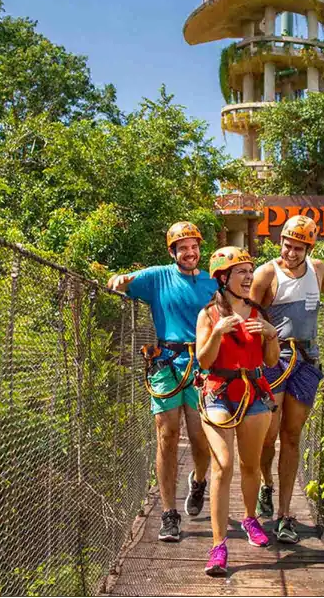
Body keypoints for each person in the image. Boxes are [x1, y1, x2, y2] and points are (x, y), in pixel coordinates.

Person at [107, 222, 216, 542]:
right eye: (182, 247)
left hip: (202, 365)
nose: (190, 252)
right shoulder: (158, 276)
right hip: (166, 362)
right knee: (167, 436)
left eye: (194, 246)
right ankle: (169, 513)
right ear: (173, 252)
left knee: (200, 438)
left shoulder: (212, 283)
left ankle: (198, 481)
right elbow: (122, 284)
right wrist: (118, 280)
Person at [249, 214, 324, 544]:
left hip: (305, 361)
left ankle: (286, 515)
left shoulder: (317, 269)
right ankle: (266, 485)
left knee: (291, 435)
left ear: (308, 248)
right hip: (274, 359)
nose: (290, 252)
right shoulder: (266, 273)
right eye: (287, 245)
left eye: (298, 248)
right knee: (267, 435)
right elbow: (249, 311)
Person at [195, 246, 280, 577]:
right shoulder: (208, 315)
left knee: (249, 465)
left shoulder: (259, 315)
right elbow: (203, 361)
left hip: (254, 393)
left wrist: (272, 336)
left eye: (250, 270)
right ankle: (218, 546)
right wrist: (217, 333)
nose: (249, 276)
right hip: (218, 392)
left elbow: (271, 361)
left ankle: (249, 518)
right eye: (241, 271)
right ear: (223, 278)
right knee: (223, 465)